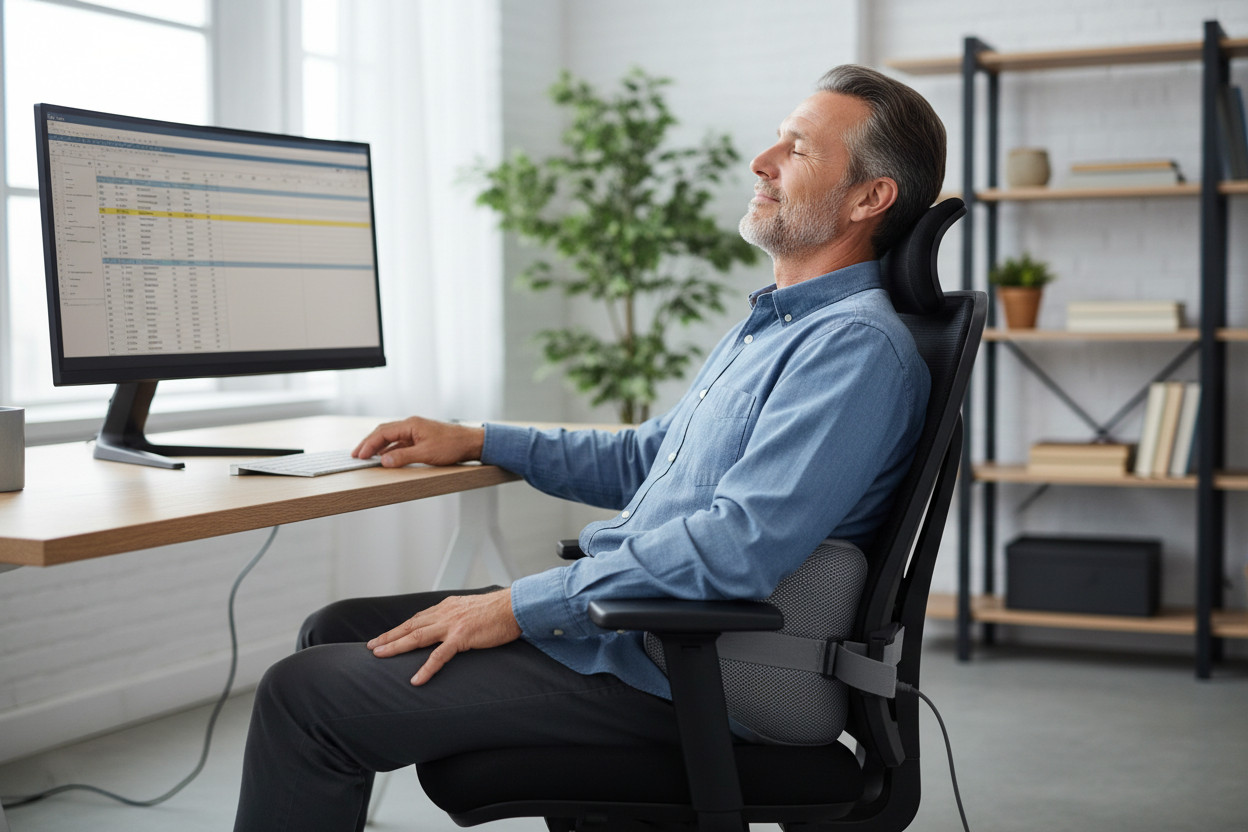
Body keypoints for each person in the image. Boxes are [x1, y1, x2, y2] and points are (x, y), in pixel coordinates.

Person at [233, 64, 946, 832]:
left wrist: (519, 606)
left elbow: (740, 548)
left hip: (685, 670)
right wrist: (477, 439)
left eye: (797, 149)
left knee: (300, 695)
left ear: (870, 199)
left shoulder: (852, 349)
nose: (761, 161)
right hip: (642, 632)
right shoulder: (777, 326)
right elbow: (650, 460)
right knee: (336, 627)